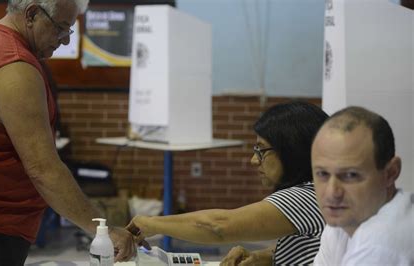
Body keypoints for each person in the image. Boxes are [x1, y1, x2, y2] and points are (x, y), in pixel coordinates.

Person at [0, 1, 135, 265]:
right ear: (32, 13)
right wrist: (105, 230)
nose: (65, 41)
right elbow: (44, 170)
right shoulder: (14, 66)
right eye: (61, 29)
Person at [127, 101, 327, 265]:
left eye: (262, 150)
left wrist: (150, 223)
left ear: (291, 151)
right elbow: (309, 248)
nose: (254, 160)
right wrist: (265, 257)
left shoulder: (306, 197)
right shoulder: (316, 192)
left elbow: (219, 226)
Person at [311, 106, 414, 265]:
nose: (332, 193)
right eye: (322, 174)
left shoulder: (381, 244)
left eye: (350, 175)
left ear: (391, 173)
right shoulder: (341, 225)